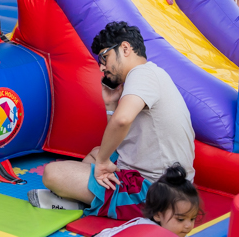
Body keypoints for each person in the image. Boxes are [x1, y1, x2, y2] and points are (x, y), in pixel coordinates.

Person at [29, 22, 195, 218]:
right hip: (171, 183)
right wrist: (110, 106)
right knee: (95, 153)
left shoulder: (142, 74)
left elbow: (122, 121)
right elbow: (121, 138)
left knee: (52, 173)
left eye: (104, 57)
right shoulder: (151, 75)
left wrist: (102, 163)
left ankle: (82, 200)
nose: (101, 67)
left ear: (125, 48)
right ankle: (84, 195)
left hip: (155, 193)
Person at [78, 163, 202, 237]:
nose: (188, 225)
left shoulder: (171, 228)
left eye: (192, 219)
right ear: (158, 215)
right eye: (181, 219)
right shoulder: (146, 234)